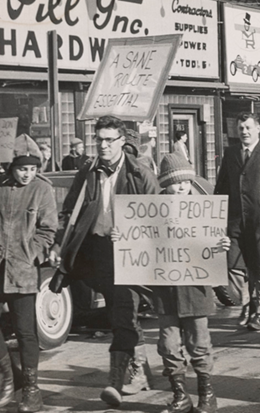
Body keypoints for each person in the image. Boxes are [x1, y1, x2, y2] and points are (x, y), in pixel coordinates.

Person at [48, 115, 160, 407]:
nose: (103, 145)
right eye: (99, 139)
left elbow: (158, 219)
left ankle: (116, 381)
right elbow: (70, 210)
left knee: (123, 314)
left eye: (110, 139)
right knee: (118, 314)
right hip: (96, 254)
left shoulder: (140, 173)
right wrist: (60, 243)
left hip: (130, 255)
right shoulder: (88, 171)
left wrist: (132, 234)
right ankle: (140, 366)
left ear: (122, 141)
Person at [110, 153, 229, 413]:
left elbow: (212, 244)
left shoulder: (203, 209)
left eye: (186, 182)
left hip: (196, 291)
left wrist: (222, 245)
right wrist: (122, 236)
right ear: (165, 184)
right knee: (168, 345)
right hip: (165, 293)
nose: (182, 188)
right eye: (176, 183)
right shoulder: (152, 211)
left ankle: (207, 394)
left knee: (199, 344)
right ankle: (180, 395)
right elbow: (137, 239)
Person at [214, 112, 260, 332]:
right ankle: (247, 302)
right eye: (240, 129)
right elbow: (222, 187)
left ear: (258, 129)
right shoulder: (231, 154)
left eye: (248, 128)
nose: (244, 132)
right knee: (233, 269)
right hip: (236, 222)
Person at [0, 134, 58, 412]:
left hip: (23, 270)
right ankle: (9, 379)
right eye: (23, 168)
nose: (28, 174)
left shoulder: (41, 189)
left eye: (33, 168)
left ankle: (32, 392)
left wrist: (31, 252)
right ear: (12, 167)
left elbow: (48, 229)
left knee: (25, 331)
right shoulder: (0, 187)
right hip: (0, 268)